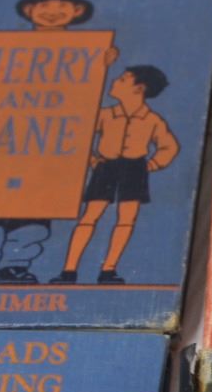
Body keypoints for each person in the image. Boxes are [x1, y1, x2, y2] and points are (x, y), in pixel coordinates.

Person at [0, 0, 118, 285]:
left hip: (46, 147)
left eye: (62, 6)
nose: (52, 12)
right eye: (44, 6)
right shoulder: (4, 51)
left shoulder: (86, 53)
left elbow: (82, 102)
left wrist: (101, 66)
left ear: (77, 12)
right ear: (29, 11)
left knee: (34, 208)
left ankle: (15, 266)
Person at [56, 65, 177, 285]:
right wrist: (92, 160)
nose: (115, 82)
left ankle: (108, 270)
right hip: (106, 168)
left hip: (134, 169)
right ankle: (69, 270)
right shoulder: (106, 114)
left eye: (122, 80)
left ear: (139, 88)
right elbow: (80, 135)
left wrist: (152, 165)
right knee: (89, 217)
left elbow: (169, 146)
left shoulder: (151, 119)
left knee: (126, 220)